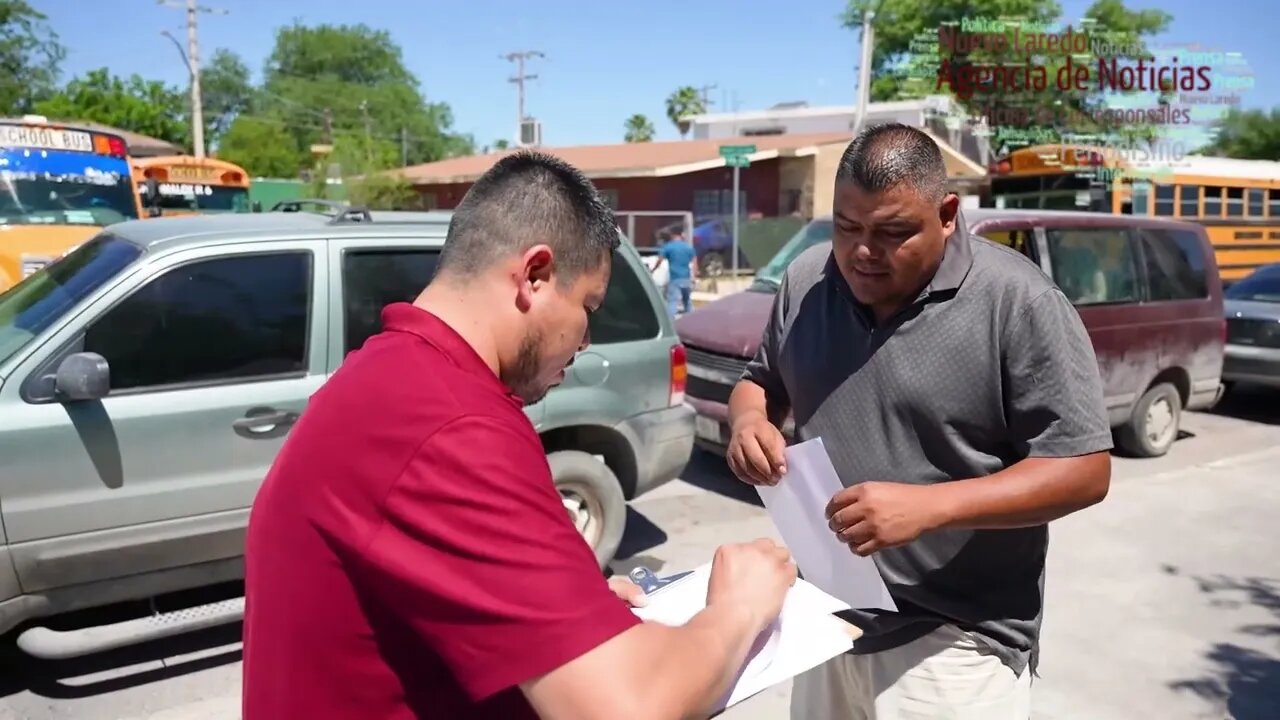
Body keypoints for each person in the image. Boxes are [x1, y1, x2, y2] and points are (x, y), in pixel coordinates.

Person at [242, 149, 796, 720]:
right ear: (535, 275)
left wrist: (566, 615)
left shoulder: (385, 372)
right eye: (589, 307)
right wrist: (739, 606)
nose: (585, 342)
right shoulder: (454, 425)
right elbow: (627, 709)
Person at [725, 124, 1113, 719]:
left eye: (892, 232)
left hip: (956, 639)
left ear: (948, 213)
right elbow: (761, 382)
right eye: (847, 227)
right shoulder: (805, 281)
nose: (861, 252)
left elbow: (1084, 469)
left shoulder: (1018, 303)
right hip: (826, 618)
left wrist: (931, 508)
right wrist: (749, 420)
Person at [657, 227, 697, 317]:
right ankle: (690, 320)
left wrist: (653, 270)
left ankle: (670, 324)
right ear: (681, 235)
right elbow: (694, 262)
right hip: (686, 279)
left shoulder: (668, 247)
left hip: (675, 278)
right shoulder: (688, 247)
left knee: (672, 301)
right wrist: (694, 276)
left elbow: (660, 260)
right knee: (687, 302)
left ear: (672, 235)